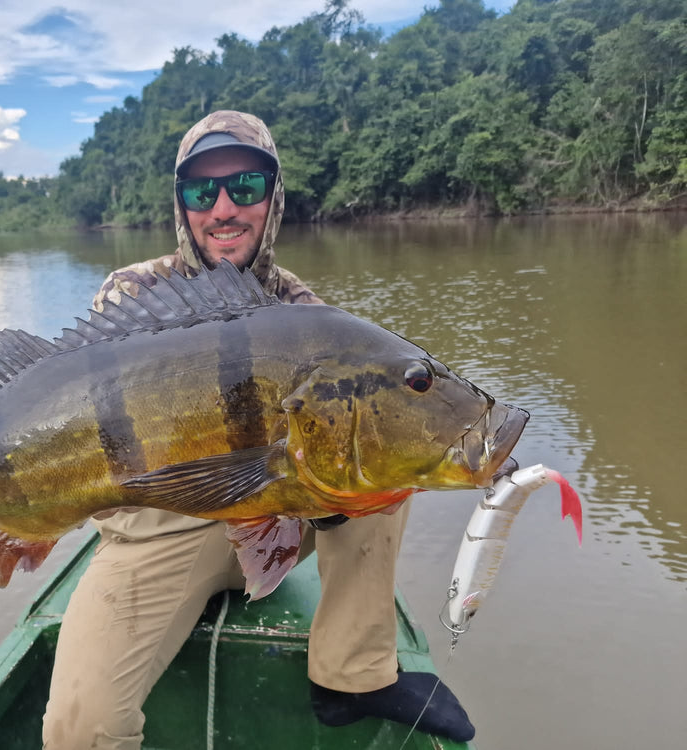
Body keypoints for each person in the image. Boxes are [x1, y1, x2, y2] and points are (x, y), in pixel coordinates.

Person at [42, 110, 474, 748]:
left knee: (384, 436)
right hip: (159, 535)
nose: (223, 208)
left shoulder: (303, 312)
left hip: (279, 519)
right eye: (201, 190)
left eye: (245, 187)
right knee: (79, 729)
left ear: (272, 199)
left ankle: (352, 674)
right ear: (182, 203)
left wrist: (324, 495)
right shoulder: (131, 296)